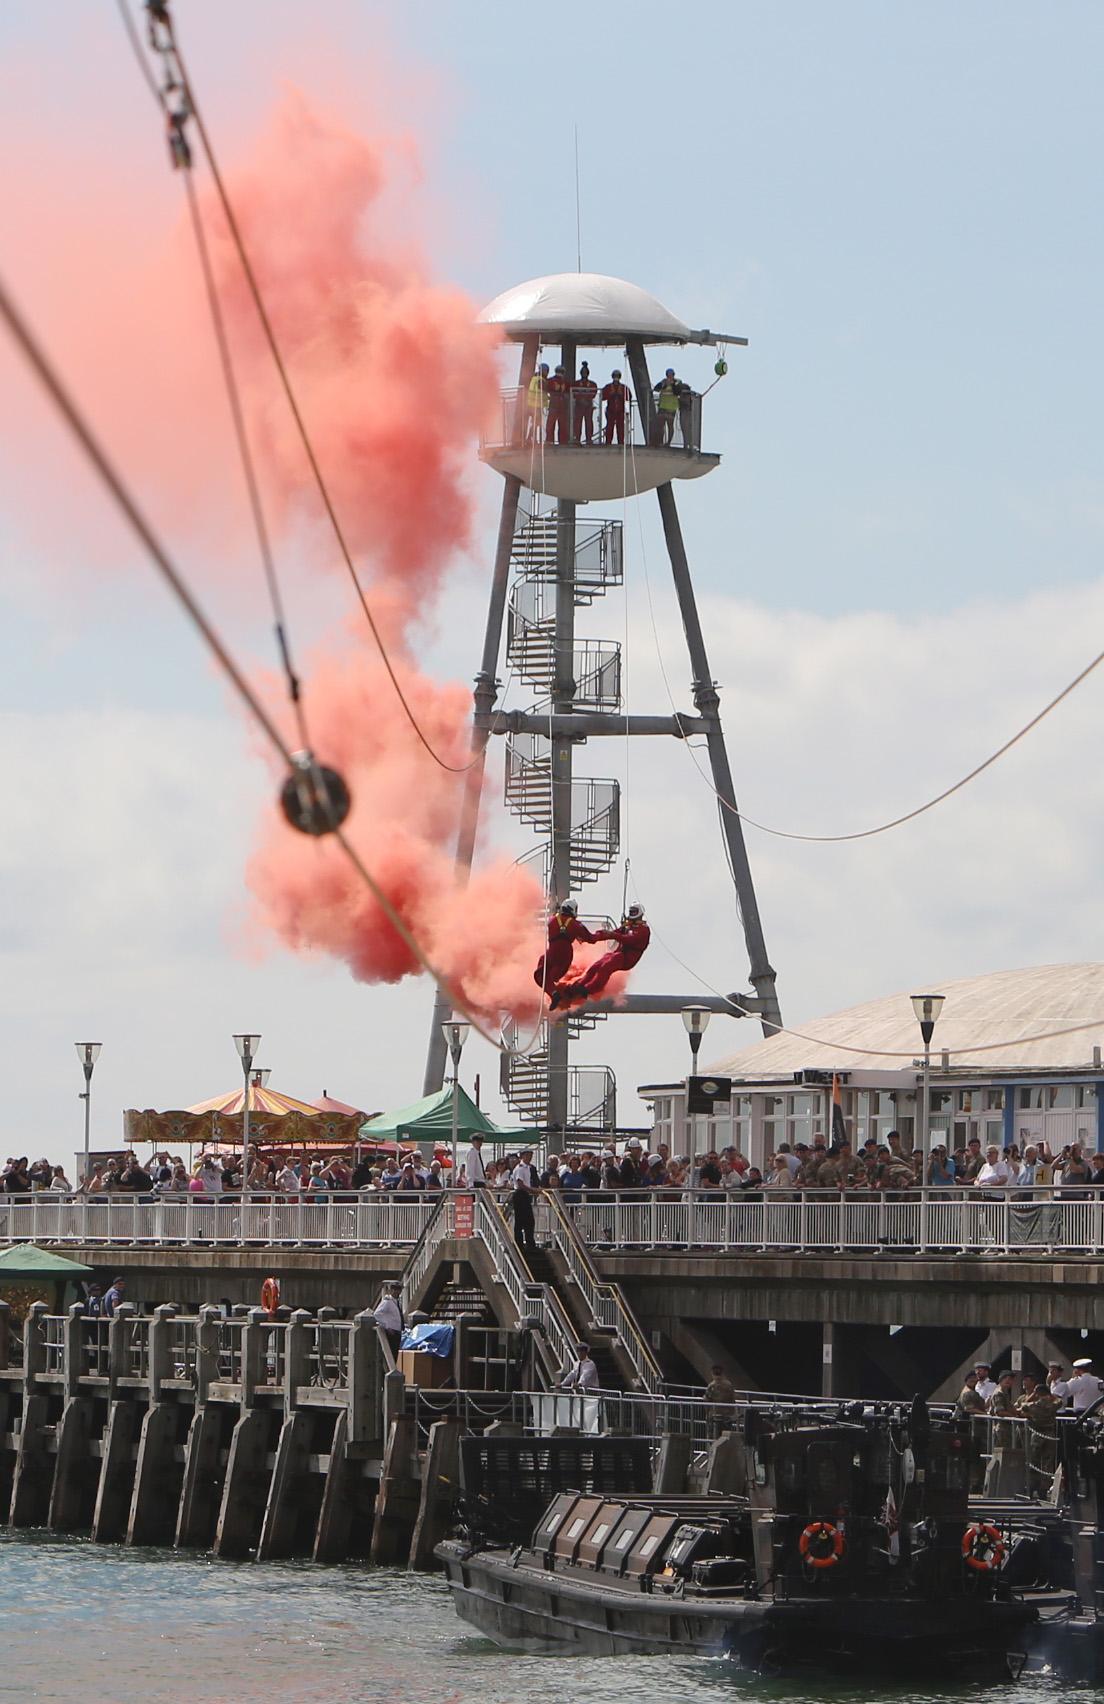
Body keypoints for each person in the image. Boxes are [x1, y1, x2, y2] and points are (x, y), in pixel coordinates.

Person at [556, 904, 651, 1006]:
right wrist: (595, 937)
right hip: (620, 953)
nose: (632, 913)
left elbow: (629, 939)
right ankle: (577, 986)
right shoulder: (628, 926)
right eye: (631, 911)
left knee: (606, 966)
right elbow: (614, 933)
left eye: (634, 911)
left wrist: (613, 935)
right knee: (596, 966)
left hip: (628, 958)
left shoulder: (643, 930)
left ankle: (588, 989)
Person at [535, 899, 598, 1001]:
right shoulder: (576, 924)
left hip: (552, 951)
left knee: (542, 973)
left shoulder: (552, 920)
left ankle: (554, 993)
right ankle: (565, 992)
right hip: (566, 954)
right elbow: (590, 938)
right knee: (555, 975)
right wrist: (604, 935)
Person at [511, 1146, 538, 1254]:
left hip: (525, 1194)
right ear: (523, 1156)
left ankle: (530, 1243)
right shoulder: (520, 1168)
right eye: (527, 1155)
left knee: (529, 1221)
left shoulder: (528, 1168)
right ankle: (520, 1244)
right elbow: (520, 1183)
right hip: (520, 1194)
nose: (529, 1157)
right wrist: (532, 1190)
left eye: (531, 1155)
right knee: (520, 1221)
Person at [373, 1282, 404, 1361]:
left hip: (397, 1332)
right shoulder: (387, 1302)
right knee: (391, 1355)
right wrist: (387, 1326)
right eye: (395, 1289)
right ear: (391, 1290)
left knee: (395, 1355)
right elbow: (377, 1314)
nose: (397, 1292)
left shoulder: (396, 1302)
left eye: (399, 1290)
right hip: (391, 1332)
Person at [704, 1364, 737, 1434]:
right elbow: (733, 1399)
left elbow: (707, 1400)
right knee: (727, 1434)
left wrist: (707, 1414)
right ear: (722, 1373)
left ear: (712, 1373)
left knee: (714, 1436)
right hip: (727, 1415)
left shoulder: (711, 1386)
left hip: (715, 1414)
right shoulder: (729, 1385)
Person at [601, 369, 631, 445]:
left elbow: (629, 397)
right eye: (615, 376)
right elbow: (601, 397)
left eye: (617, 376)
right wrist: (610, 394)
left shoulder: (623, 387)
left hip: (620, 411)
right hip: (610, 410)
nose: (616, 378)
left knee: (620, 428)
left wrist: (621, 395)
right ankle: (608, 442)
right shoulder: (608, 387)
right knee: (609, 427)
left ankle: (621, 442)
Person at [571, 361, 597, 444]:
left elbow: (594, 393)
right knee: (577, 422)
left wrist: (586, 400)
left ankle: (589, 438)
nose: (584, 374)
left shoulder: (592, 384)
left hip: (588, 405)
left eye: (586, 372)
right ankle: (577, 438)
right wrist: (581, 399)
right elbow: (573, 393)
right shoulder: (576, 383)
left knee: (589, 422)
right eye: (583, 372)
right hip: (579, 405)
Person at [652, 368, 680, 444]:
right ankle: (660, 441)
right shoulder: (663, 381)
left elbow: (677, 391)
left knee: (670, 426)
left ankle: (668, 442)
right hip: (662, 407)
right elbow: (656, 389)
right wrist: (664, 385)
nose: (670, 377)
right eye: (668, 375)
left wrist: (672, 384)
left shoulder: (677, 382)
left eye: (671, 375)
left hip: (671, 408)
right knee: (660, 426)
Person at [545, 365, 571, 445]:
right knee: (563, 425)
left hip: (553, 404)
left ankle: (549, 440)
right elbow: (569, 392)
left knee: (550, 424)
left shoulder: (549, 381)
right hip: (563, 406)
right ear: (563, 372)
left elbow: (545, 389)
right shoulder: (566, 382)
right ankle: (563, 442)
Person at [525, 362, 549, 442]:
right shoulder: (540, 380)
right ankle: (530, 438)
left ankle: (531, 438)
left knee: (535, 423)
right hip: (536, 405)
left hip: (531, 404)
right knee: (536, 423)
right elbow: (544, 389)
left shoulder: (534, 378)